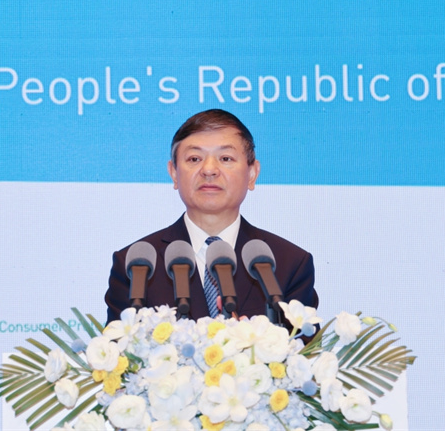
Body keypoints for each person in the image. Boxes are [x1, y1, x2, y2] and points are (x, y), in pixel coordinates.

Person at [105, 109, 318, 324]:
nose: (209, 170)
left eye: (225, 158)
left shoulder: (288, 263)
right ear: (174, 173)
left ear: (252, 174)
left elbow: (303, 343)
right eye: (194, 158)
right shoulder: (137, 267)